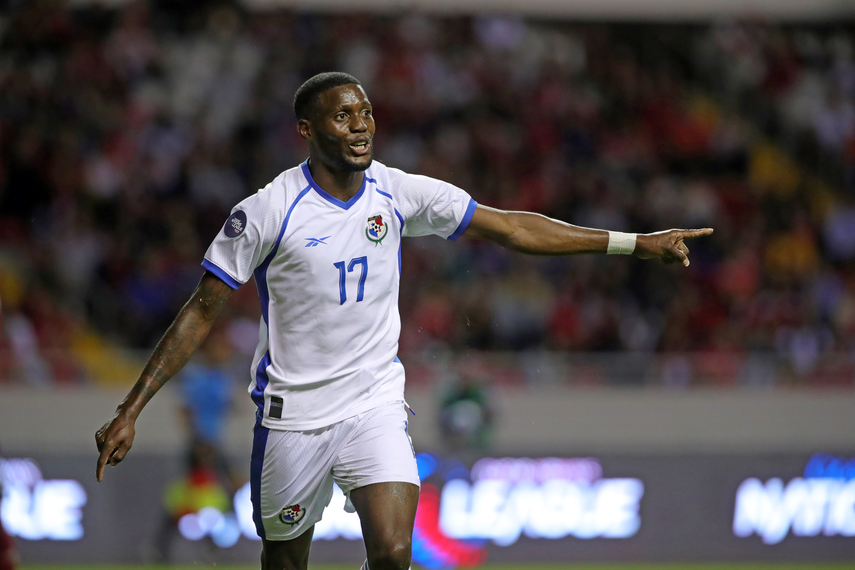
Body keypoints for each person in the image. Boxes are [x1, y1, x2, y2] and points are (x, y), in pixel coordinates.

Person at [95, 71, 712, 570]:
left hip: (374, 402)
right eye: (343, 116)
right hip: (292, 414)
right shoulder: (267, 211)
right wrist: (131, 410)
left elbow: (512, 226)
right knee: (285, 559)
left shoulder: (395, 191)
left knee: (392, 554)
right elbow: (201, 311)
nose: (361, 125)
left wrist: (636, 242)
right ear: (306, 130)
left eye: (366, 112)